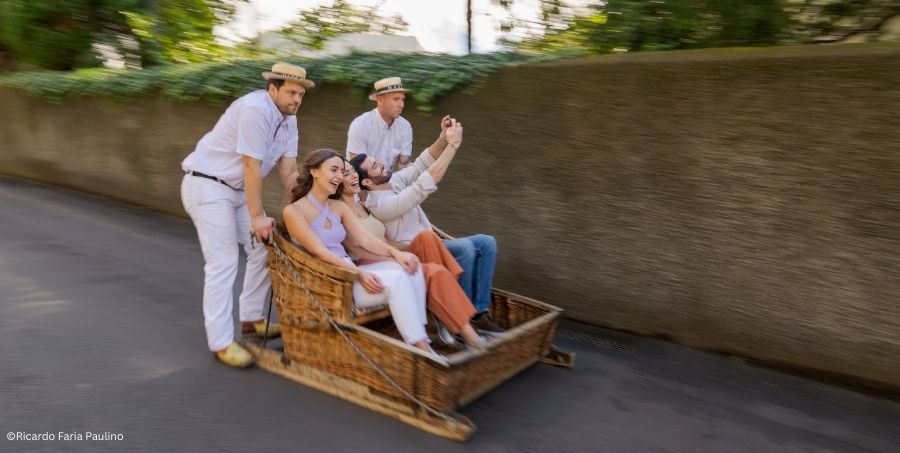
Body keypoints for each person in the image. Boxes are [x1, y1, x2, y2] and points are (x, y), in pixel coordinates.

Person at [180, 62, 312, 368]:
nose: (297, 99)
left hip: (238, 191)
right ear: (273, 89)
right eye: (291, 93)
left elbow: (290, 174)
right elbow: (251, 166)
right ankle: (221, 342)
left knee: (265, 247)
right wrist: (257, 218)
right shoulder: (255, 109)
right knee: (223, 261)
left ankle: (252, 321)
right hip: (208, 186)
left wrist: (311, 208)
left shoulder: (289, 121)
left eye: (301, 94)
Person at [349, 119, 504, 334]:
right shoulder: (380, 205)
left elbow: (422, 163)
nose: (382, 163)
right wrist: (452, 146)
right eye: (375, 166)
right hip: (414, 252)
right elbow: (421, 188)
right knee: (465, 248)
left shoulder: (393, 181)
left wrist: (443, 138)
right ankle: (467, 317)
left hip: (432, 241)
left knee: (487, 243)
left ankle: (480, 310)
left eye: (377, 161)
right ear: (367, 182)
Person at [283, 149, 442, 358]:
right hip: (329, 281)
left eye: (341, 171)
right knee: (396, 280)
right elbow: (319, 252)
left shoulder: (338, 206)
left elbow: (366, 240)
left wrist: (396, 254)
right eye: (333, 170)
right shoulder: (293, 211)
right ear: (314, 171)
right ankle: (422, 350)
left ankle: (420, 335)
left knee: (411, 267)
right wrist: (359, 273)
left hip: (348, 269)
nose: (339, 176)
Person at [337, 151, 486, 349]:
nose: (353, 175)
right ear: (336, 181)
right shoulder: (340, 210)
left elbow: (385, 240)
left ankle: (457, 322)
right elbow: (360, 246)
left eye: (352, 171)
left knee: (426, 238)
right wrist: (395, 256)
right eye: (346, 174)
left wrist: (405, 249)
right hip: (374, 262)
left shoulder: (361, 206)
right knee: (435, 271)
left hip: (386, 253)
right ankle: (469, 335)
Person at [346, 77, 413, 171]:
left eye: (402, 99)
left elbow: (404, 165)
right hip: (359, 178)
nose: (401, 105)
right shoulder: (361, 124)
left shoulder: (405, 127)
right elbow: (356, 167)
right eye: (396, 99)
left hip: (388, 178)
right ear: (380, 100)